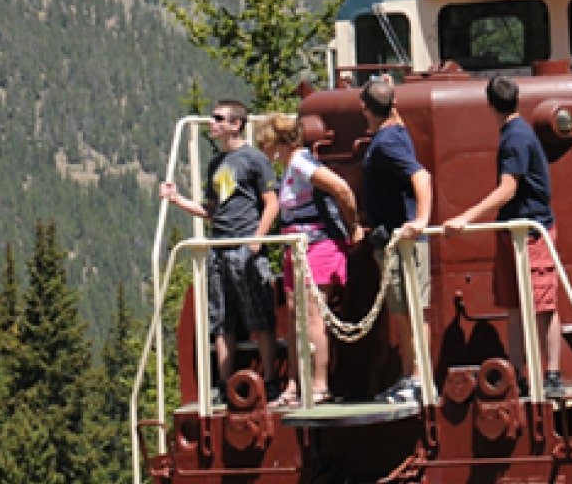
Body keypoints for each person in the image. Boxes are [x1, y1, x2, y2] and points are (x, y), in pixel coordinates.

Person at [446, 77, 566, 397]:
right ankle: (518, 373)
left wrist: (466, 217)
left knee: (544, 304)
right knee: (514, 305)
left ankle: (552, 375)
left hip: (530, 233)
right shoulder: (515, 133)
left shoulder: (516, 138)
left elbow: (508, 187)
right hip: (512, 231)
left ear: (490, 105)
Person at [159, 100, 281, 398]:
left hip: (245, 247)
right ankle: (224, 384)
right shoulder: (216, 164)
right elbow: (212, 209)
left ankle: (270, 380)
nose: (211, 123)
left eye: (218, 118)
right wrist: (178, 200)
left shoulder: (254, 160)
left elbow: (272, 203)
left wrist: (257, 240)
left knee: (259, 315)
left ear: (235, 124)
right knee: (221, 318)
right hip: (219, 247)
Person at [254, 112, 361, 406]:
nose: (264, 151)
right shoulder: (290, 167)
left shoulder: (302, 164)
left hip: (319, 246)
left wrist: (353, 227)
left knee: (312, 314)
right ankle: (294, 384)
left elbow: (340, 189)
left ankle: (319, 384)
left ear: (279, 142)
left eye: (266, 144)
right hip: (296, 249)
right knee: (293, 315)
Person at [358, 76, 433, 403]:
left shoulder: (387, 143)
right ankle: (409, 376)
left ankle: (418, 378)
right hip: (391, 240)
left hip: (403, 241)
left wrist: (420, 221)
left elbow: (421, 176)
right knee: (403, 313)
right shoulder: (395, 131)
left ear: (365, 109)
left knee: (412, 313)